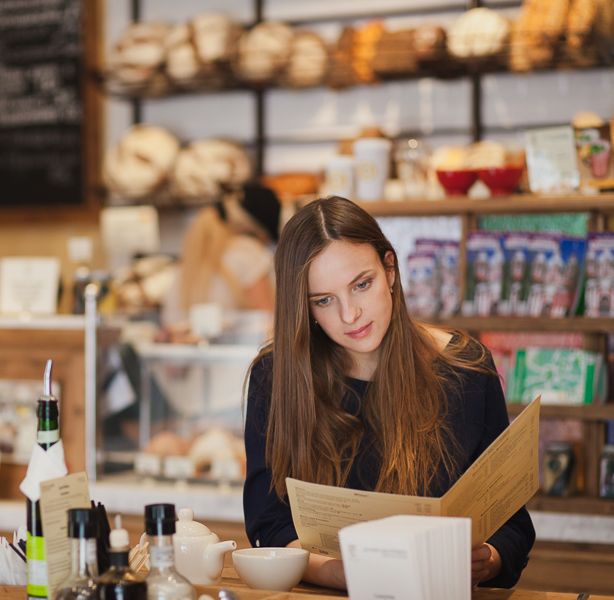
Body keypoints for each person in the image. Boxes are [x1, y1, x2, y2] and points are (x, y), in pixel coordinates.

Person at [243, 196, 535, 590]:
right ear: (305, 308)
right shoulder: (276, 376)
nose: (350, 315)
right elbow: (268, 523)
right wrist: (332, 571)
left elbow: (513, 524)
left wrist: (490, 560)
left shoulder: (465, 369)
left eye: (362, 285)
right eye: (324, 301)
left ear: (390, 270)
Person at [159, 183, 282, 340]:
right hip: (240, 361)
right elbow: (268, 321)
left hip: (193, 361)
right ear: (261, 233)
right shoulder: (248, 253)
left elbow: (169, 332)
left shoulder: (187, 264)